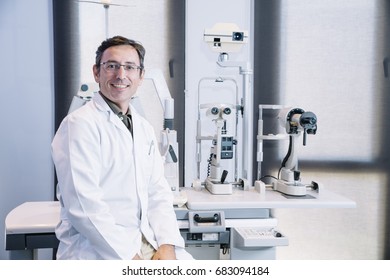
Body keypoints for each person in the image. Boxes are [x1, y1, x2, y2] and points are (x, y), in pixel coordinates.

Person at [51, 36, 192, 260]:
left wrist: (167, 243)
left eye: (129, 67)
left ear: (141, 75)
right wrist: (129, 258)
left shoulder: (143, 127)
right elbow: (84, 207)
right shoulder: (79, 125)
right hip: (99, 250)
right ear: (97, 72)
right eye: (112, 66)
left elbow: (157, 191)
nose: (121, 75)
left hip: (146, 241)